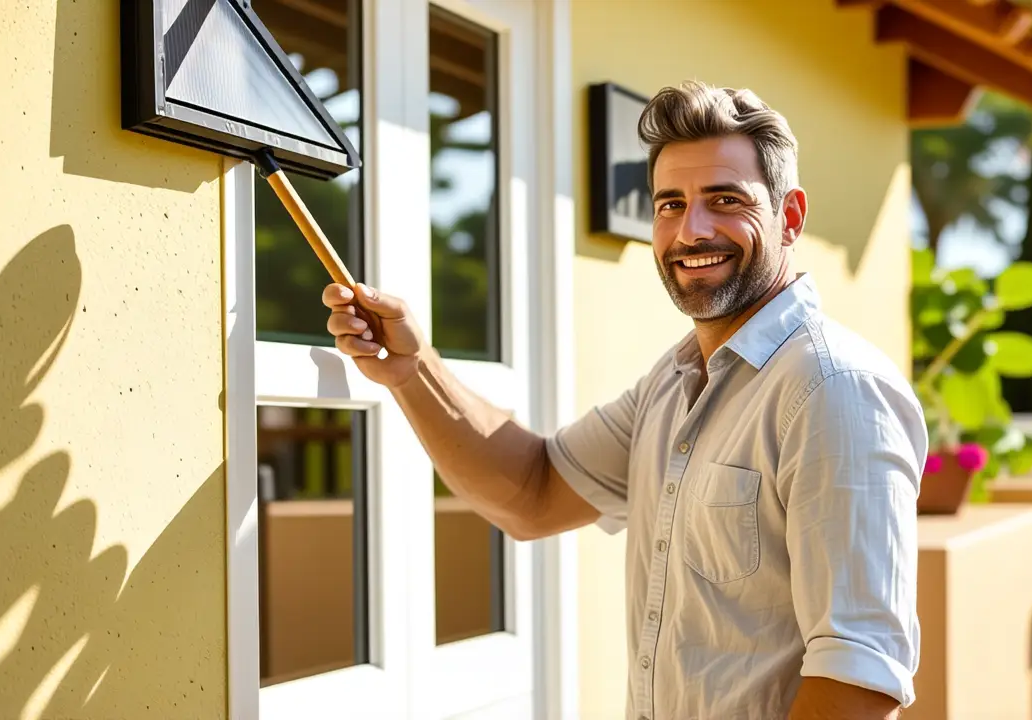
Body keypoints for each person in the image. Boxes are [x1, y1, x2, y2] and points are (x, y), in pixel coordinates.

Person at [323, 80, 927, 720]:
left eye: (725, 200)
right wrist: (413, 370)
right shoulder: (669, 387)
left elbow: (857, 681)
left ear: (791, 215)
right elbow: (532, 491)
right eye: (670, 204)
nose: (691, 231)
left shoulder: (832, 389)